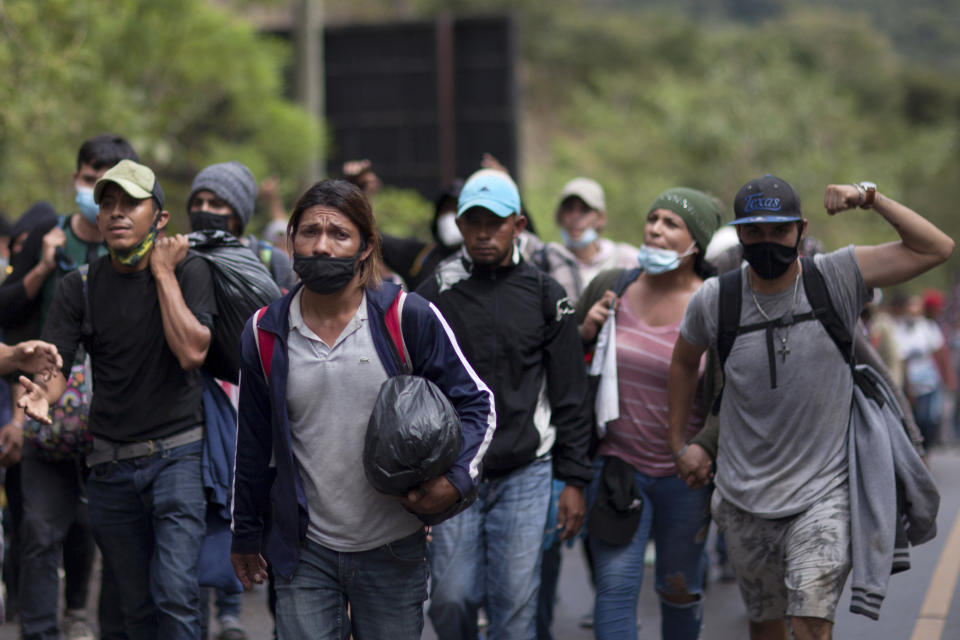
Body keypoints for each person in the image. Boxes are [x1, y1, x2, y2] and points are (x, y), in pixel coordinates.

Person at [668, 175, 954, 640]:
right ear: (739, 233)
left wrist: (869, 197)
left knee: (810, 625)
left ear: (799, 230)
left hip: (824, 494)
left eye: (778, 230)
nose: (766, 242)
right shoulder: (717, 298)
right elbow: (683, 362)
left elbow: (936, 248)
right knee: (766, 628)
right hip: (743, 500)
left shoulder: (835, 276)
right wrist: (678, 443)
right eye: (754, 232)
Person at [230, 179, 494, 640]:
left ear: (367, 246)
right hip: (304, 549)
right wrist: (245, 534)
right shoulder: (265, 333)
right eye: (309, 232)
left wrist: (454, 480)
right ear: (291, 241)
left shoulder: (407, 317)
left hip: (392, 546)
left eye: (339, 234)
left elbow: (477, 403)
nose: (322, 246)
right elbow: (253, 443)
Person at [19, 159, 218, 640]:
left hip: (179, 456)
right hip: (110, 466)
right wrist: (42, 398)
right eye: (107, 202)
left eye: (130, 202)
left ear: (160, 217)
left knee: (175, 593)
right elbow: (56, 367)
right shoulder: (79, 286)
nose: (115, 212)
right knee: (136, 608)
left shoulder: (190, 271)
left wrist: (164, 273)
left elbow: (193, 351)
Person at [417, 169, 593, 640]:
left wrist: (574, 480)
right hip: (453, 473)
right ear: (459, 222)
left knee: (515, 606)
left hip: (525, 471)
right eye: (472, 222)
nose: (482, 233)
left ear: (517, 226)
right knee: (451, 598)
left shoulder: (545, 295)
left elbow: (570, 393)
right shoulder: (434, 292)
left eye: (494, 223)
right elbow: (410, 389)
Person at [0, 134, 140, 640]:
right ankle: (39, 630)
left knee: (95, 528)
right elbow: (12, 324)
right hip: (44, 407)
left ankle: (80, 613)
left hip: (115, 422)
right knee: (38, 527)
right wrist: (17, 415)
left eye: (114, 191)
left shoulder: (139, 251)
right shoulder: (47, 235)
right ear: (76, 179)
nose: (105, 204)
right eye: (90, 182)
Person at [575, 187, 722, 639]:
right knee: (615, 589)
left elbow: (731, 394)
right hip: (618, 467)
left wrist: (704, 447)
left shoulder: (714, 301)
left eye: (671, 223)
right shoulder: (612, 285)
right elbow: (565, 365)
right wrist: (584, 332)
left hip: (686, 477)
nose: (656, 229)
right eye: (653, 218)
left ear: (695, 242)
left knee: (679, 590)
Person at [187, 161, 295, 291]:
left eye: (215, 204)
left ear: (238, 216)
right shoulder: (180, 257)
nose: (204, 210)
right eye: (198, 203)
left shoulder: (271, 261)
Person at [537, 177, 638, 303]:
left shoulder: (625, 259)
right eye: (569, 209)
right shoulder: (547, 260)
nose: (575, 216)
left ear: (601, 218)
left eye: (584, 210)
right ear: (560, 216)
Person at [380, 179, 464, 291]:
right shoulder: (421, 256)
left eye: (457, 209)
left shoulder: (481, 259)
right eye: (446, 209)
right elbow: (376, 239)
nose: (450, 217)